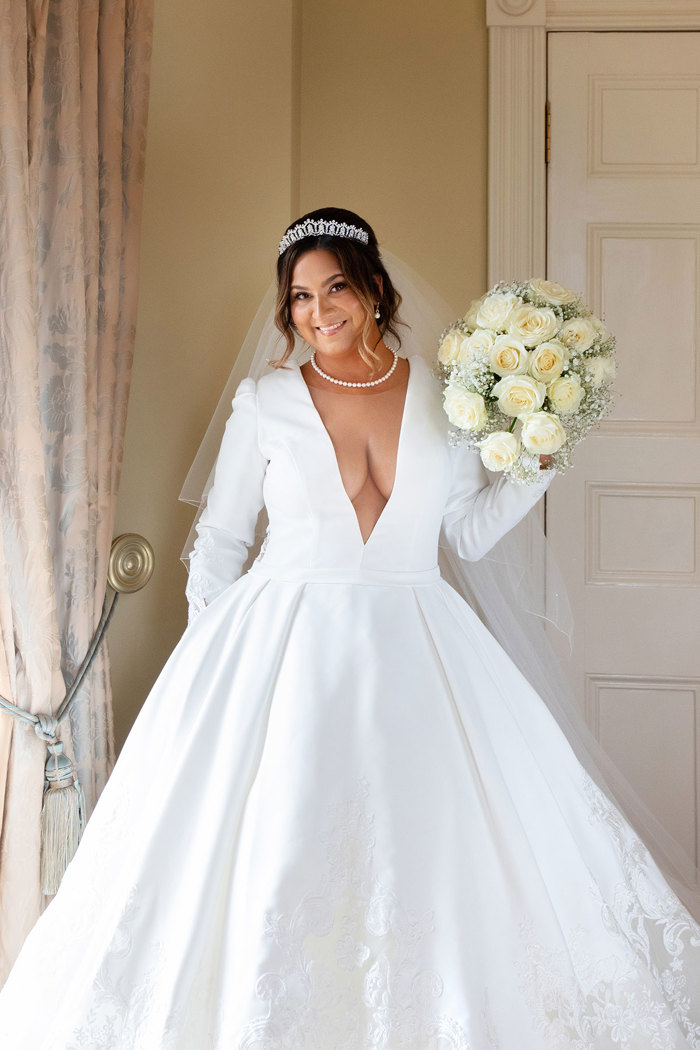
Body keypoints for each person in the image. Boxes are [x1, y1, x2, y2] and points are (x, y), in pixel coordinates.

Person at [1, 207, 699, 1049]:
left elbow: (466, 533)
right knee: (278, 847)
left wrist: (537, 465)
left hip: (419, 635)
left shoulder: (447, 397)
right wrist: (209, 668)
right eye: (299, 296)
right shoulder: (266, 401)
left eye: (334, 287)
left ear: (373, 289)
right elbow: (220, 542)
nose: (318, 310)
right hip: (283, 642)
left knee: (435, 849)